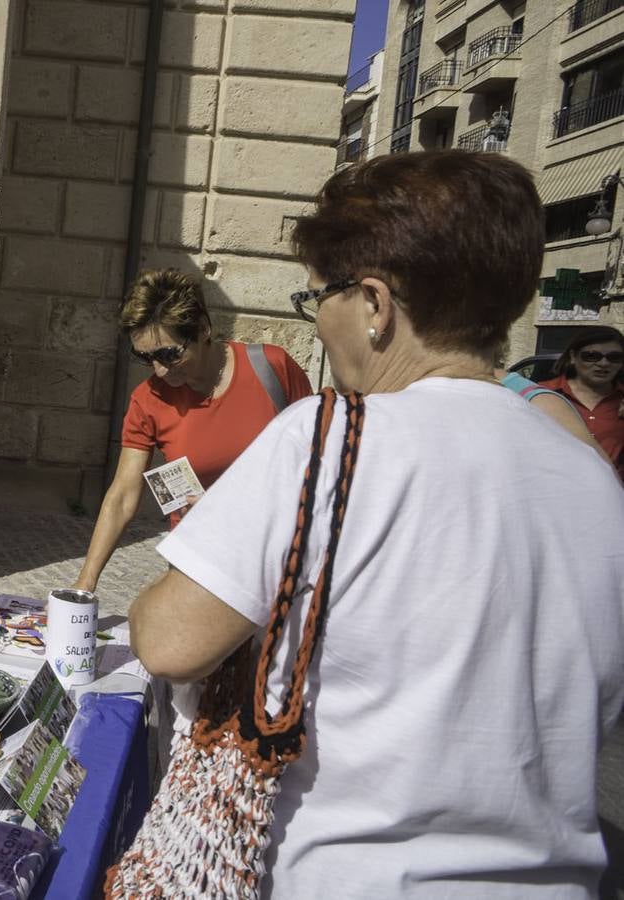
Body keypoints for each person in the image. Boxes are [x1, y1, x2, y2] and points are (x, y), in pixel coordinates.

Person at [118, 151, 624, 895]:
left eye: (319, 296)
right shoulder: (591, 479)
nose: (318, 322)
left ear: (375, 305)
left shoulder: (326, 438)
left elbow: (167, 642)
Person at [72, 269, 312, 593]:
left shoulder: (273, 369)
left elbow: (317, 464)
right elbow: (123, 495)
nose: (158, 369)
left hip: (275, 560)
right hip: (200, 566)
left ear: (202, 329)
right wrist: (85, 583)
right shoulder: (148, 400)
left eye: (169, 354)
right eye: (145, 357)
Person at [538, 326, 624, 479]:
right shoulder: (540, 395)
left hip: (612, 494)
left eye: (614, 357)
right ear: (573, 357)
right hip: (554, 490)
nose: (604, 363)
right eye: (592, 356)